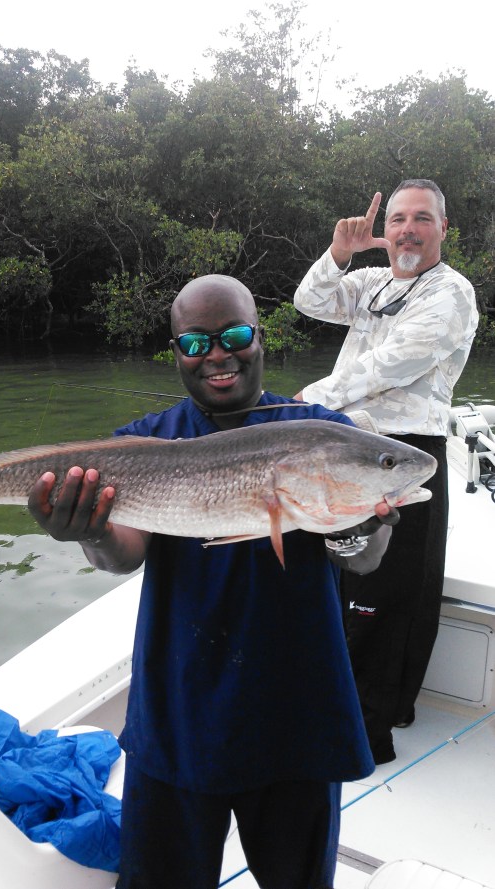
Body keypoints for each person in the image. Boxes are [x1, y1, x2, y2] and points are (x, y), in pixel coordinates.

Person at [28, 274, 397, 889]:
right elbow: (123, 556)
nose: (218, 355)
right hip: (179, 708)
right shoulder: (143, 444)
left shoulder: (321, 433)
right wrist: (88, 530)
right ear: (175, 351)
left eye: (234, 336)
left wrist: (357, 529)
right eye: (195, 343)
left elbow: (365, 559)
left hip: (299, 710)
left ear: (260, 339)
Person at [293, 179, 479, 765]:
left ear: (443, 229)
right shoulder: (372, 282)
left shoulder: (452, 293)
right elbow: (309, 302)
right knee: (345, 576)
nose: (407, 229)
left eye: (421, 218)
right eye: (397, 219)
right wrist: (339, 255)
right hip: (349, 445)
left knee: (389, 592)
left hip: (406, 452)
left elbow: (394, 363)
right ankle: (337, 706)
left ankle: (372, 729)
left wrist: (311, 402)